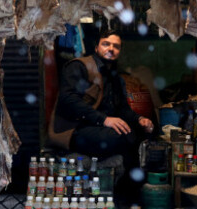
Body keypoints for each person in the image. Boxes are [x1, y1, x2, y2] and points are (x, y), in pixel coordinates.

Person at [49, 29, 154, 158]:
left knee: (142, 133)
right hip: (74, 129)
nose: (111, 49)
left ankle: (131, 177)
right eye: (106, 44)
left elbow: (122, 109)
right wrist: (103, 120)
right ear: (96, 48)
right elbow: (69, 100)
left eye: (116, 46)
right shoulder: (79, 66)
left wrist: (140, 119)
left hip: (100, 128)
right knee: (118, 137)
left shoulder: (116, 78)